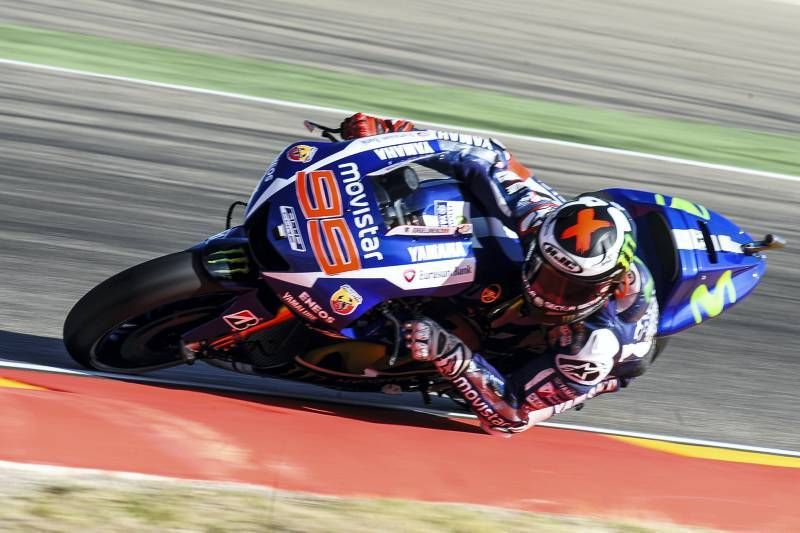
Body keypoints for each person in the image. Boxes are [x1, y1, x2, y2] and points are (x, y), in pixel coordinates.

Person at [340, 113, 659, 435]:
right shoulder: (542, 221)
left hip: (591, 364)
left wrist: (450, 352)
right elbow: (488, 158)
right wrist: (392, 138)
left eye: (571, 289)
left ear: (610, 285)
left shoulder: (593, 347)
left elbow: (510, 417)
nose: (550, 294)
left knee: (483, 347)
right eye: (547, 274)